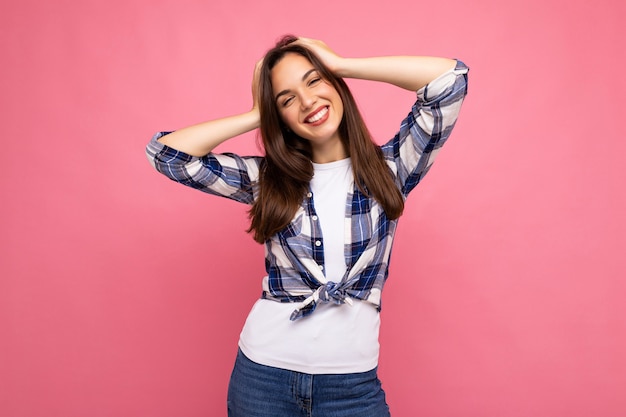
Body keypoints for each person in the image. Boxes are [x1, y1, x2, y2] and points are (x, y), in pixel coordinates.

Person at [146, 35, 468, 417]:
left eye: (315, 80)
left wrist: (345, 64)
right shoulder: (267, 178)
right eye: (286, 99)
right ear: (278, 116)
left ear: (335, 83)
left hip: (352, 387)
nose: (307, 102)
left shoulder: (393, 168)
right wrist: (256, 112)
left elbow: (450, 80)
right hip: (263, 378)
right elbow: (167, 155)